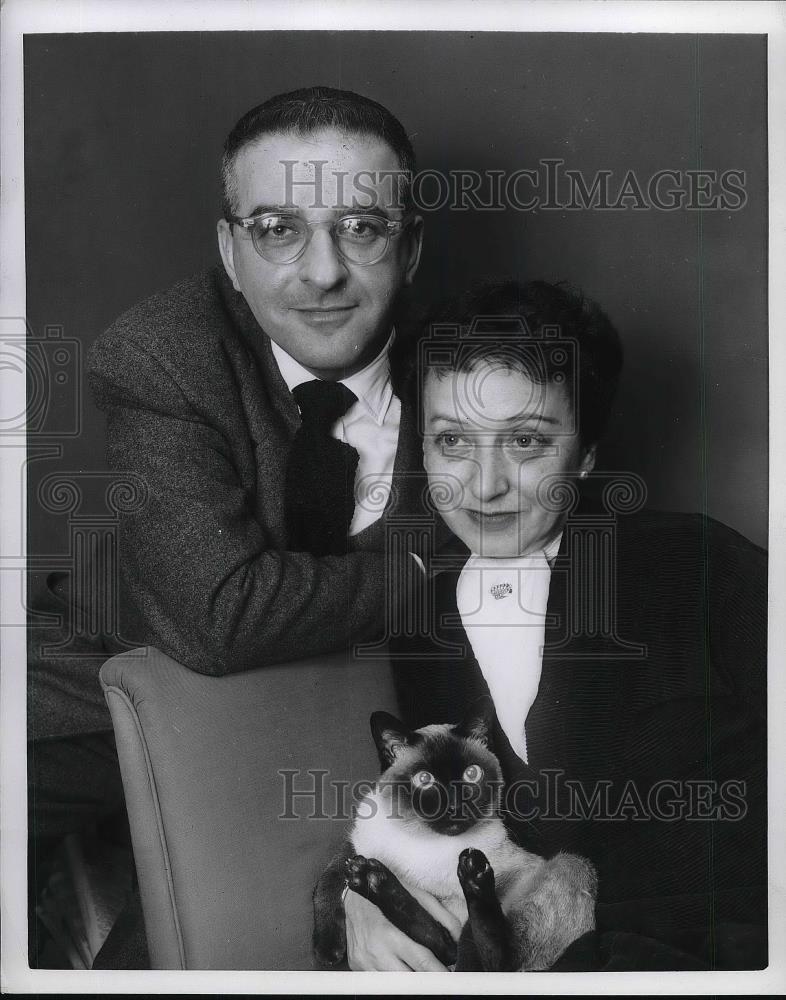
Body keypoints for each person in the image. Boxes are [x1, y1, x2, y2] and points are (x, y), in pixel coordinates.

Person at [27, 85, 429, 968]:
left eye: (361, 228)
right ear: (229, 248)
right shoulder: (165, 350)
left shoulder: (477, 372)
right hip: (106, 675)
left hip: (336, 741)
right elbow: (218, 617)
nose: (322, 272)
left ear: (411, 245)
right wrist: (429, 563)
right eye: (278, 229)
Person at [343, 279, 767, 971]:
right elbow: (436, 820)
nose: (485, 484)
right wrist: (357, 895)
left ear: (588, 455)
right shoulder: (417, 624)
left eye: (527, 442)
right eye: (452, 440)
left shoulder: (694, 561)